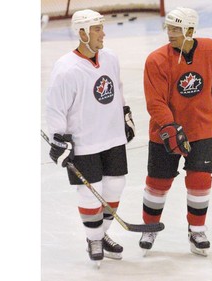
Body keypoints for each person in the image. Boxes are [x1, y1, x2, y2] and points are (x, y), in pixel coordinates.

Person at [138, 7, 212, 257]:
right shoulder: (156, 60)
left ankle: (197, 230)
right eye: (168, 28)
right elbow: (155, 102)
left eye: (176, 29)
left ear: (190, 30)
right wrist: (170, 127)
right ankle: (149, 227)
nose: (169, 33)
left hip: (200, 128)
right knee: (158, 183)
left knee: (200, 181)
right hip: (165, 132)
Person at [45, 9, 135, 262]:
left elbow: (117, 89)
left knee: (115, 187)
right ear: (82, 32)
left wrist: (125, 113)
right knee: (90, 191)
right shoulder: (66, 69)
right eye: (97, 29)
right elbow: (55, 107)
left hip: (112, 135)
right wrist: (57, 139)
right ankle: (93, 239)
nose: (103, 33)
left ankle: (101, 233)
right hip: (84, 141)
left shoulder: (110, 58)